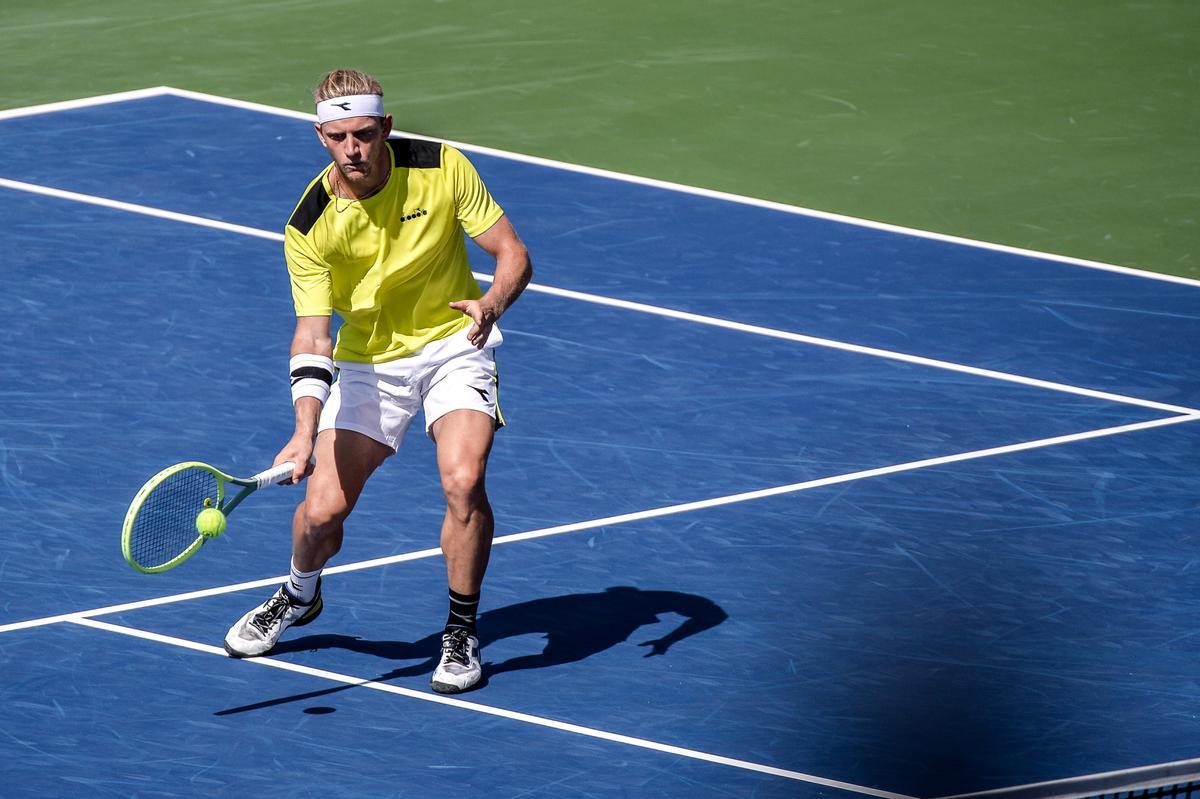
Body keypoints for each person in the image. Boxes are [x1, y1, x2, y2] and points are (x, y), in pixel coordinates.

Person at [223, 68, 532, 695]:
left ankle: (461, 630)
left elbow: (513, 255)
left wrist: (491, 304)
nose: (353, 149)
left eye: (364, 134)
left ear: (386, 127)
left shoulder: (442, 167)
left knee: (463, 481)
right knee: (322, 512)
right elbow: (313, 335)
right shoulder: (310, 226)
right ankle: (299, 592)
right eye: (338, 138)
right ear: (321, 137)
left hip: (455, 342)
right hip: (369, 365)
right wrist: (303, 431)